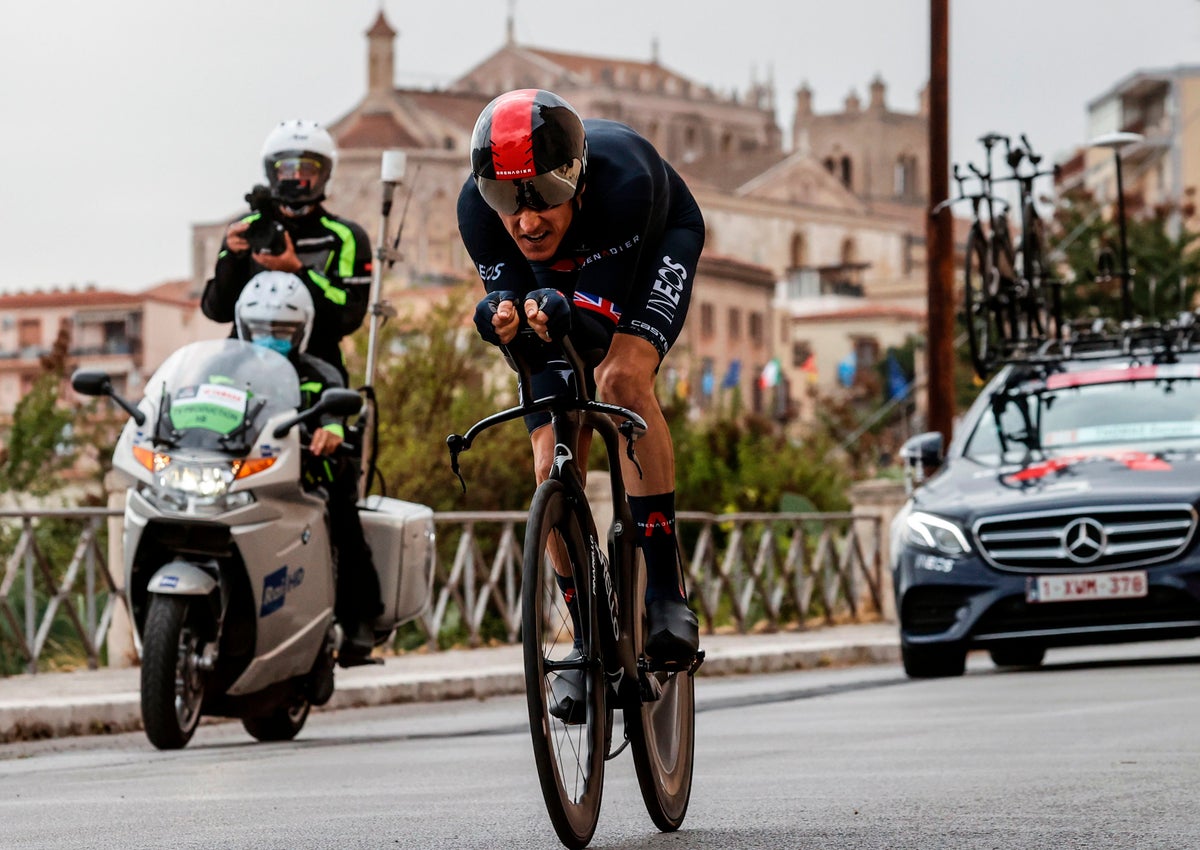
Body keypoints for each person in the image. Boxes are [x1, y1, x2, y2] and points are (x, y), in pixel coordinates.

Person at [457, 89, 704, 700]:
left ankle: (667, 592)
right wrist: (500, 320)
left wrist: (553, 316)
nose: (527, 220)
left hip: (649, 244)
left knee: (618, 379)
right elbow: (520, 329)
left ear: (575, 178)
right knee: (550, 454)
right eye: (508, 201)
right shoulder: (477, 209)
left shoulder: (622, 184)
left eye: (542, 194)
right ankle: (584, 630)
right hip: (563, 275)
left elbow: (593, 334)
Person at [234, 271, 383, 665]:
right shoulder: (229, 372)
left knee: (344, 520)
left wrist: (332, 430)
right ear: (242, 325)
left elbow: (336, 411)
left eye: (282, 328)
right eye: (260, 328)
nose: (271, 335)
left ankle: (359, 620)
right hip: (244, 474)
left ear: (302, 328)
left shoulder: (320, 372)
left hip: (311, 475)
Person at [203, 120, 372, 385]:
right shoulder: (248, 228)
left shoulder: (346, 236)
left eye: (306, 169)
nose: (295, 177)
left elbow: (349, 315)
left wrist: (297, 271)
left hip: (316, 373)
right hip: (242, 369)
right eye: (287, 169)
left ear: (324, 174)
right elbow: (216, 310)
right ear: (273, 173)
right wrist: (231, 258)